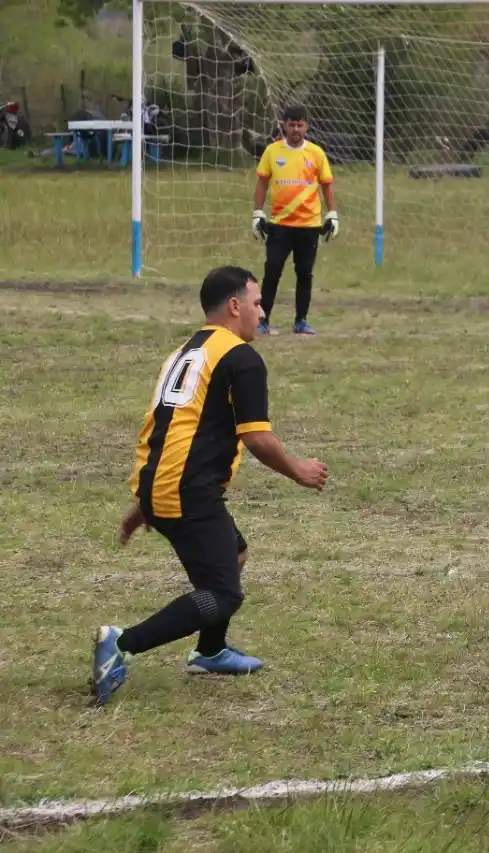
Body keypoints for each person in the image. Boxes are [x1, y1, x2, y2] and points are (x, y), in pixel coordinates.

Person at [91, 266, 330, 707]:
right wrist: (298, 470)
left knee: (233, 553)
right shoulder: (240, 357)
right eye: (257, 303)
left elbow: (167, 428)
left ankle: (210, 650)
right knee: (221, 594)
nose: (262, 312)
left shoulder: (185, 351)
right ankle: (122, 644)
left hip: (165, 484)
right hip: (187, 490)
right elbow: (257, 437)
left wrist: (145, 501)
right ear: (235, 306)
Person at [252, 104, 339, 336]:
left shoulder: (316, 154)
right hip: (279, 224)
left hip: (309, 226)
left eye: (300, 125)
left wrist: (332, 214)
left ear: (306, 126)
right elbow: (262, 183)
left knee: (304, 274)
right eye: (292, 125)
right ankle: (263, 320)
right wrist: (258, 213)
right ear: (284, 125)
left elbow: (327, 185)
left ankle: (301, 321)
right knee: (272, 271)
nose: (296, 129)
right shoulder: (272, 152)